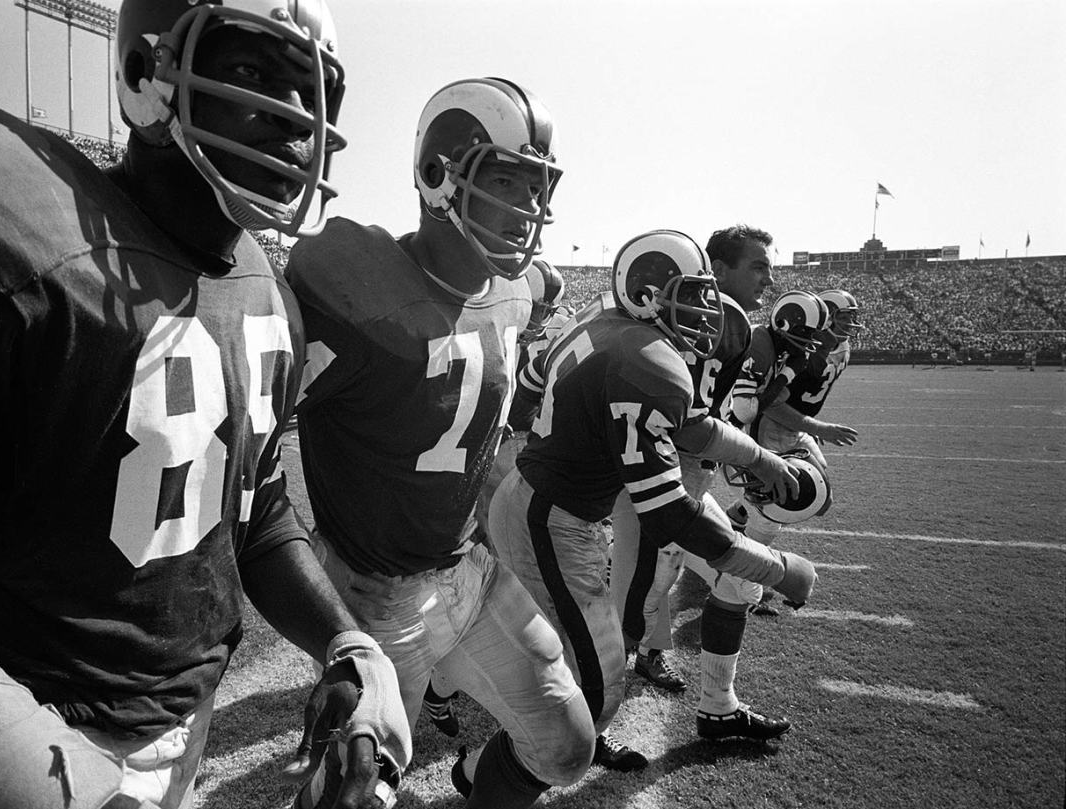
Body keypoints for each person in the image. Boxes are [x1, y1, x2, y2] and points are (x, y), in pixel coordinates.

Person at [0, 2, 412, 808]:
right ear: (143, 77)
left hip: (179, 720)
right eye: (256, 75)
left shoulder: (269, 295)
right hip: (10, 730)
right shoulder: (17, 238)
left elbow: (252, 512)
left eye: (312, 92)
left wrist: (345, 640)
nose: (294, 118)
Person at [285, 77, 594, 809]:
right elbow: (259, 431)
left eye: (537, 187)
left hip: (467, 569)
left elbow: (523, 337)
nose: (529, 208)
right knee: (350, 796)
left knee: (566, 741)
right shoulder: (352, 286)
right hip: (372, 587)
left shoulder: (521, 290)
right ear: (440, 175)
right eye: (508, 182)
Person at [487, 229, 818, 770]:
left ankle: (556, 743)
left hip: (546, 506)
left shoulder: (604, 323)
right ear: (646, 292)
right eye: (693, 295)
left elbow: (690, 426)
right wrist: (776, 569)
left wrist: (760, 459)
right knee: (600, 678)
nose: (707, 311)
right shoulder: (644, 360)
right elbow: (669, 514)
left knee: (587, 658)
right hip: (547, 519)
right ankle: (487, 769)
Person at [608, 226, 809, 740]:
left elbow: (716, 418)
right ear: (717, 270)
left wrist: (753, 465)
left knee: (731, 582)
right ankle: (566, 733)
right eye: (758, 266)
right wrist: (760, 461)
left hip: (684, 485)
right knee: (626, 616)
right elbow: (688, 426)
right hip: (655, 490)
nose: (769, 276)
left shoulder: (734, 325)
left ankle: (718, 706)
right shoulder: (704, 323)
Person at [422, 257, 571, 739]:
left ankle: (447, 679)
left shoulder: (551, 333)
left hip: (520, 451)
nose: (542, 314)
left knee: (498, 572)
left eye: (549, 306)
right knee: (491, 566)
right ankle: (447, 675)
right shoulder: (484, 319)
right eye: (538, 303)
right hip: (494, 455)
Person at [725, 289, 846, 557]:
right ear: (784, 325)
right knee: (775, 503)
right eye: (808, 335)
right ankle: (738, 577)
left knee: (816, 491)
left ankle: (737, 520)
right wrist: (785, 377)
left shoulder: (788, 349)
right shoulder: (760, 343)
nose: (813, 343)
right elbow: (746, 410)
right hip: (731, 424)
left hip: (750, 424)